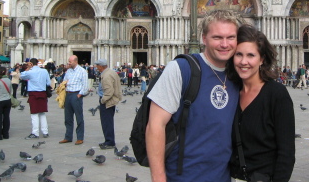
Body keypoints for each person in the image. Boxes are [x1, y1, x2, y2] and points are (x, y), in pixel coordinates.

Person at [145, 10, 242, 182]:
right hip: (183, 177)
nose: (225, 44)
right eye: (217, 37)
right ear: (204, 38)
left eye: (231, 37)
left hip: (223, 177)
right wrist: (158, 178)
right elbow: (155, 125)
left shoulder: (238, 75)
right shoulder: (181, 69)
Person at [227, 25, 295, 181]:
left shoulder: (277, 94)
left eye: (251, 55)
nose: (244, 61)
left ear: (262, 59)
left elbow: (287, 154)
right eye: (238, 54)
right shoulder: (229, 92)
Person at [59, 55, 88, 145]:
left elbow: (85, 85)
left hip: (76, 94)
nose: (68, 63)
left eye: (70, 62)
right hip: (68, 94)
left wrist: (79, 94)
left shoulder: (82, 71)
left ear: (75, 61)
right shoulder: (68, 71)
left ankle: (80, 137)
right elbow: (64, 81)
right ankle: (68, 137)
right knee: (67, 117)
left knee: (79, 117)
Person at [20, 57, 51, 139]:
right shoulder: (44, 71)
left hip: (33, 93)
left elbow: (22, 76)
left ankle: (35, 133)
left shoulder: (30, 72)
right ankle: (45, 132)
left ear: (31, 64)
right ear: (37, 63)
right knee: (42, 113)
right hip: (43, 93)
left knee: (34, 114)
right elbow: (48, 83)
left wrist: (28, 68)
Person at [95, 58, 121, 150]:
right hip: (112, 100)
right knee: (108, 121)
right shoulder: (111, 72)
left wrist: (102, 100)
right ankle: (108, 140)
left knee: (106, 122)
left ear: (101, 66)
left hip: (107, 102)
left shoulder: (106, 75)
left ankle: (110, 142)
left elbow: (109, 91)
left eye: (97, 65)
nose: (96, 67)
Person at [0, 67, 12, 140]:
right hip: (8, 100)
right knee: (6, 117)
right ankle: (6, 134)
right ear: (5, 72)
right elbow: (10, 91)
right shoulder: (9, 80)